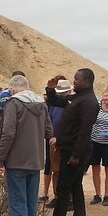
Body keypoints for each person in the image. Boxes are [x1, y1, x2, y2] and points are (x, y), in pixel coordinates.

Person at [36, 68, 99, 216]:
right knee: (75, 188)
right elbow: (57, 101)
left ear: (87, 81)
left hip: (75, 152)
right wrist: (50, 88)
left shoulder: (89, 102)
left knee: (63, 190)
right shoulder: (77, 98)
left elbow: (84, 132)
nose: (74, 81)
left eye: (77, 79)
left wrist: (76, 156)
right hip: (69, 150)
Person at [0, 75, 52, 216]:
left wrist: (0, 159)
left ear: (12, 89)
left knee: (18, 202)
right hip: (35, 160)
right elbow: (48, 130)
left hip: (17, 160)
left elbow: (8, 132)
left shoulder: (14, 103)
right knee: (30, 201)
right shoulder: (41, 104)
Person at [40, 76, 70, 208]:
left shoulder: (70, 104)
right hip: (52, 141)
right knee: (55, 169)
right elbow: (49, 120)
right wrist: (50, 135)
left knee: (65, 170)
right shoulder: (55, 104)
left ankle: (67, 198)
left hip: (66, 142)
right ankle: (57, 196)